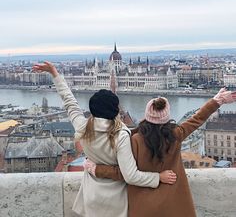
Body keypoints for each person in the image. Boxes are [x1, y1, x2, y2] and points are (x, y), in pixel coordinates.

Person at [32, 61, 177, 217]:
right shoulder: (120, 135)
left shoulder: (83, 126)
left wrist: (55, 74)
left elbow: (69, 102)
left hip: (91, 198)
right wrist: (158, 177)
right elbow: (131, 176)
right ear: (115, 110)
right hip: (115, 202)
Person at [84, 88, 236, 217]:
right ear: (167, 116)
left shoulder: (134, 140)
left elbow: (124, 173)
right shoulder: (177, 134)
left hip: (143, 207)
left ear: (146, 116)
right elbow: (197, 119)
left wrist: (96, 169)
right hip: (175, 204)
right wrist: (218, 100)